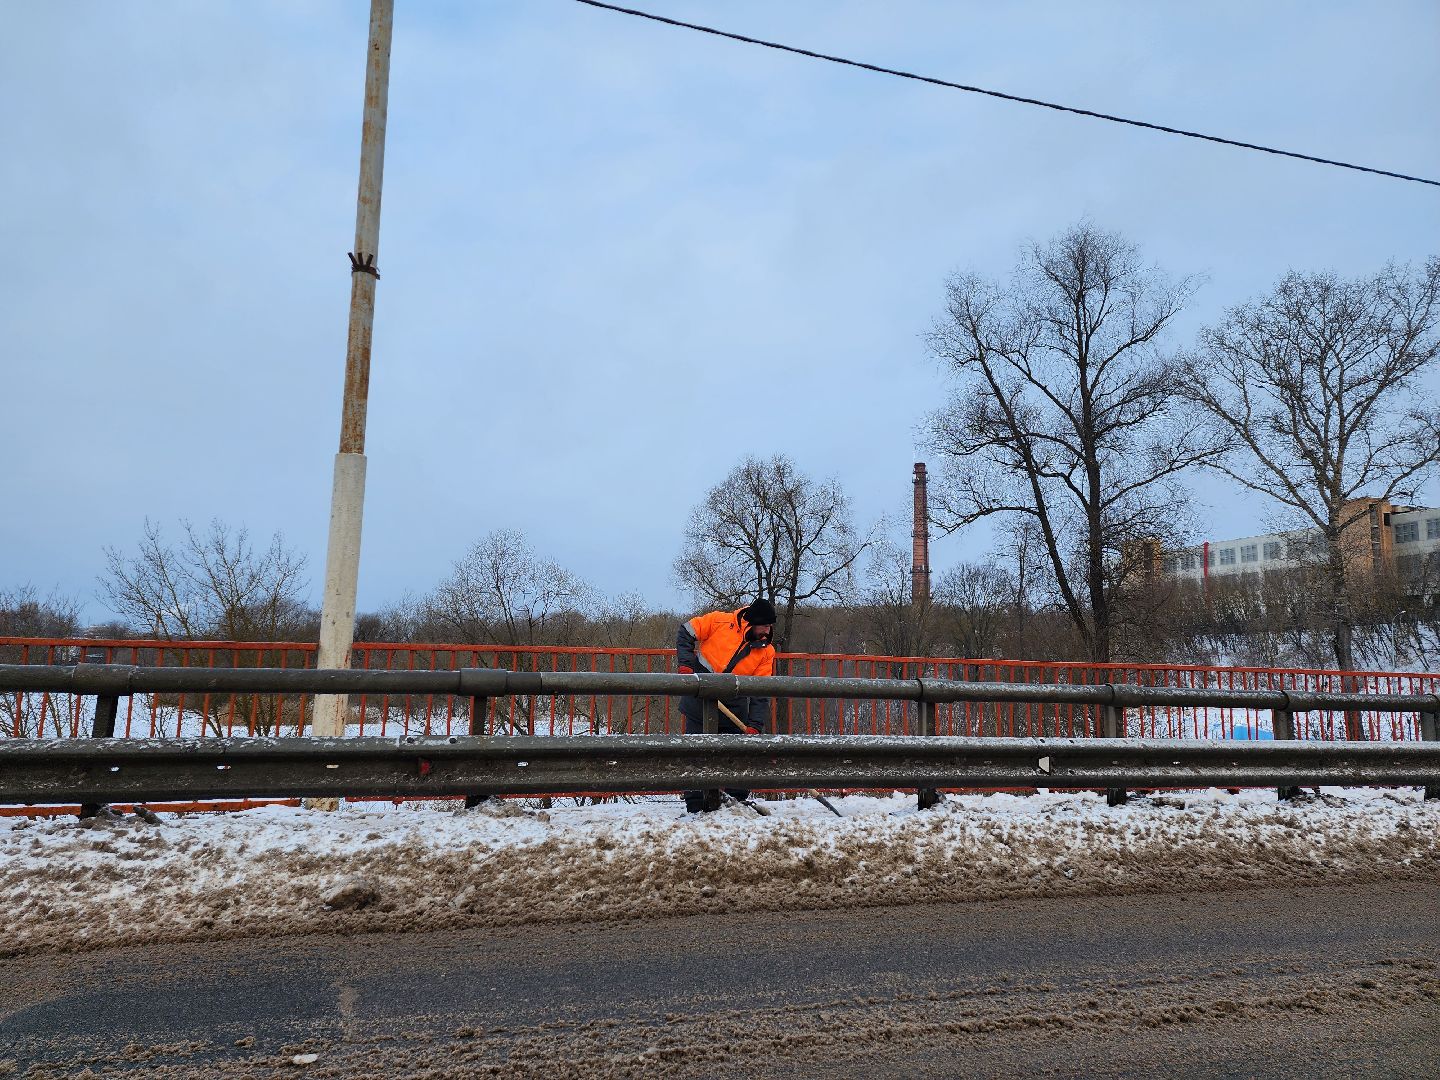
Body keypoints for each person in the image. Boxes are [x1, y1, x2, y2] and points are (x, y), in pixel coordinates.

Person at [676, 597, 778, 813]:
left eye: (770, 627)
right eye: (765, 626)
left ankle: (735, 803)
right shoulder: (719, 621)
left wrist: (755, 724)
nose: (768, 632)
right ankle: (695, 805)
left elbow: (761, 691)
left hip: (733, 709)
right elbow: (685, 632)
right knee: (695, 753)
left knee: (739, 754)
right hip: (699, 702)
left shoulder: (766, 652)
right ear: (752, 622)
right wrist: (685, 665)